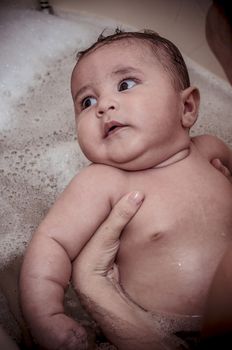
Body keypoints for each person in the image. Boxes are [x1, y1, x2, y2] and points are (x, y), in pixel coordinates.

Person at [19, 30, 232, 350]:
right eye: (86, 101)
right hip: (153, 330)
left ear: (186, 106)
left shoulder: (211, 151)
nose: (103, 105)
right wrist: (47, 317)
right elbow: (53, 244)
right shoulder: (103, 182)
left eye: (125, 84)